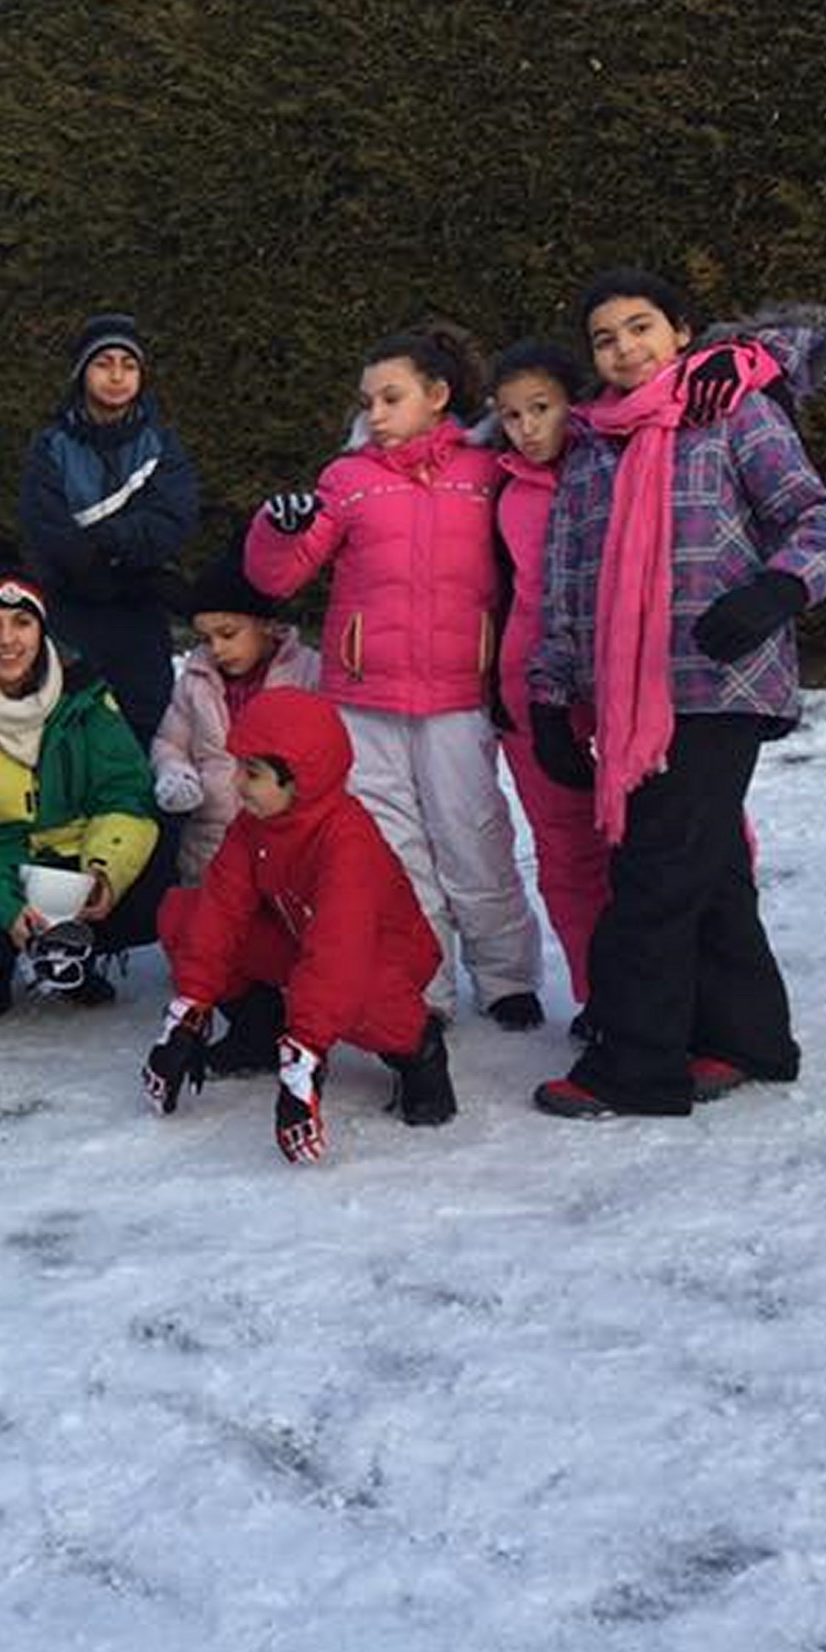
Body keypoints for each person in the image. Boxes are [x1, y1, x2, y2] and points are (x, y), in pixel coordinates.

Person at [529, 275, 826, 1120]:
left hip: (723, 682)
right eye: (604, 338)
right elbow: (567, 580)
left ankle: (634, 1065)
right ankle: (751, 1039)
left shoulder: (733, 411)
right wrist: (551, 694)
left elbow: (823, 521)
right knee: (706, 867)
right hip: (630, 696)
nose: (624, 348)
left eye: (640, 327)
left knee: (656, 872)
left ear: (681, 332)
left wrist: (777, 591)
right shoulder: (592, 445)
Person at [244, 321, 545, 1027]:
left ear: (437, 395)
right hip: (364, 701)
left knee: (474, 837)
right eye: (367, 402)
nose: (374, 415)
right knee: (393, 847)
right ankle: (423, 984)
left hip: (457, 698)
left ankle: (506, 978)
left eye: (390, 398)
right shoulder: (347, 481)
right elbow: (278, 577)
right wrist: (277, 529)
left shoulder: (486, 474)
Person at [143, 689, 454, 1164]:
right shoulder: (254, 826)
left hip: (379, 959)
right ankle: (257, 1032)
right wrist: (189, 1014)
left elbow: (338, 955)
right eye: (238, 766)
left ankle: (420, 1050)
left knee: (360, 994)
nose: (236, 783)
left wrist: (304, 1057)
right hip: (302, 937)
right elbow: (220, 912)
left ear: (299, 780)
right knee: (185, 915)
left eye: (252, 773)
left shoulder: (347, 841)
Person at [0, 544, 162, 1017]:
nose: (7, 640)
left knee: (147, 886)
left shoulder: (85, 697)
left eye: (21, 622)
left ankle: (74, 956)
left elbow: (126, 792)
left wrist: (104, 872)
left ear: (41, 629)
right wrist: (4, 905)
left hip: (72, 857)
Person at [486, 341, 612, 1021]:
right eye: (511, 416)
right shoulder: (504, 488)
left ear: (574, 402)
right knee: (566, 854)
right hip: (530, 695)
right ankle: (599, 992)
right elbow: (499, 593)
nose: (528, 428)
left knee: (657, 844)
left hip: (620, 686)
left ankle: (685, 989)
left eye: (541, 408)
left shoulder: (617, 465)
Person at [19, 314, 201, 749]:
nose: (117, 376)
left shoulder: (161, 444)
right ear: (82, 372)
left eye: (128, 365)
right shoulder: (51, 446)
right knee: (68, 727)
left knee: (145, 730)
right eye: (104, 363)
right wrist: (95, 562)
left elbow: (172, 520)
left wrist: (109, 545)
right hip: (70, 608)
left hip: (140, 612)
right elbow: (46, 526)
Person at [148, 540, 322, 888]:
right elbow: (170, 742)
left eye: (228, 634)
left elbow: (329, 755)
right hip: (210, 849)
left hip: (288, 846)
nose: (217, 649)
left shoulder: (308, 675)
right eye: (205, 638)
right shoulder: (196, 680)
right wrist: (175, 773)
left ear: (266, 624)